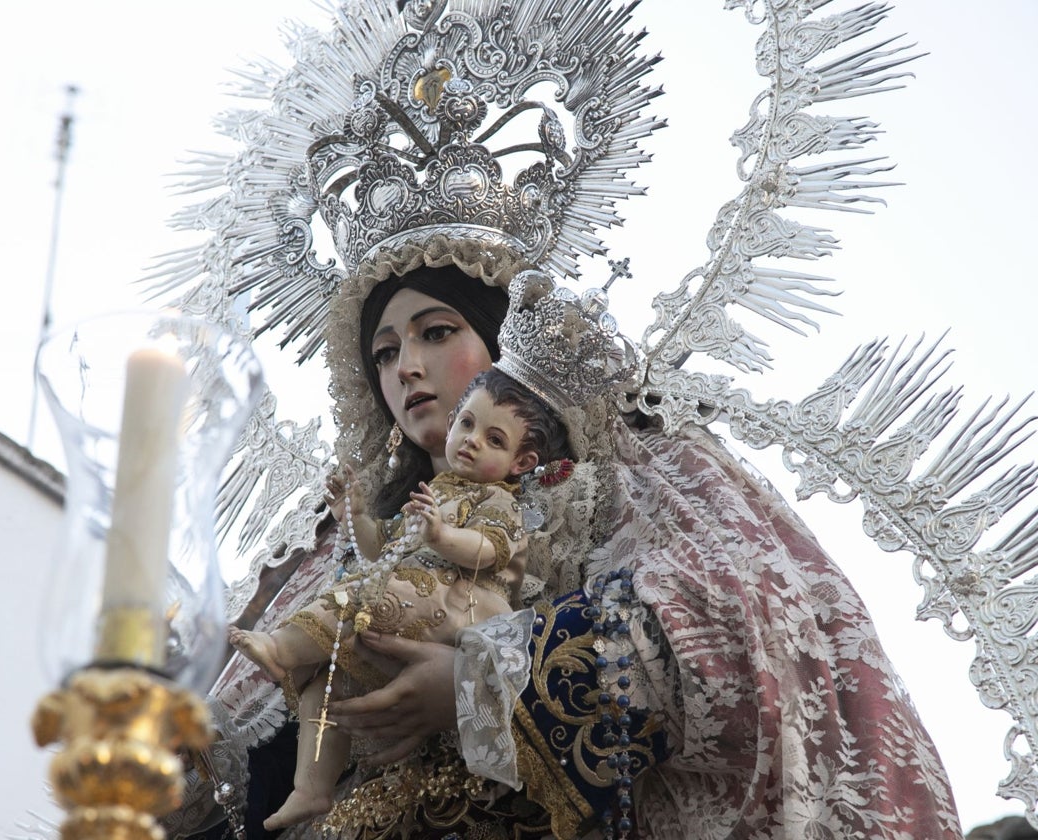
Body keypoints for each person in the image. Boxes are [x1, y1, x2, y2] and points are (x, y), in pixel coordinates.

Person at [155, 2, 968, 837]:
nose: (407, 367)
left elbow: (750, 617)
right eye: (385, 352)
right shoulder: (339, 541)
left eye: (439, 333)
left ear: (505, 342)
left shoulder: (633, 468)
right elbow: (224, 749)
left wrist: (481, 685)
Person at [231, 367, 573, 830]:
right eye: (467, 424)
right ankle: (311, 788)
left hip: (461, 606)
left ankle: (280, 650)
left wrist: (441, 535)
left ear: (521, 462)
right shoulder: (436, 493)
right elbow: (383, 547)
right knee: (328, 684)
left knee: (361, 595)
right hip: (413, 600)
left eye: (495, 439)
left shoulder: (498, 500)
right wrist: (354, 514)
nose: (472, 440)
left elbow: (488, 550)